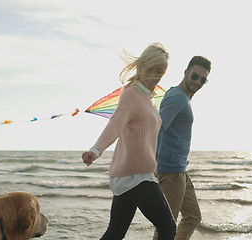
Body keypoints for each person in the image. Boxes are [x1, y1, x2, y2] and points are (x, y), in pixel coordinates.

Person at [82, 43, 176, 240]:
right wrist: (96, 150)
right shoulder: (131, 94)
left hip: (133, 173)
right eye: (152, 69)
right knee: (167, 227)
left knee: (115, 233)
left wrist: (155, 161)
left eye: (161, 71)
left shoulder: (147, 98)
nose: (155, 76)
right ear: (141, 67)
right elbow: (115, 124)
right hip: (136, 175)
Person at [153, 56, 211, 240]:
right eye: (195, 76)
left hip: (180, 170)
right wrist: (154, 157)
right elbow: (159, 126)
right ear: (186, 73)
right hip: (170, 172)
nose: (198, 82)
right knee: (167, 226)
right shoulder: (178, 97)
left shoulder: (182, 97)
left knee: (193, 217)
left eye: (203, 79)